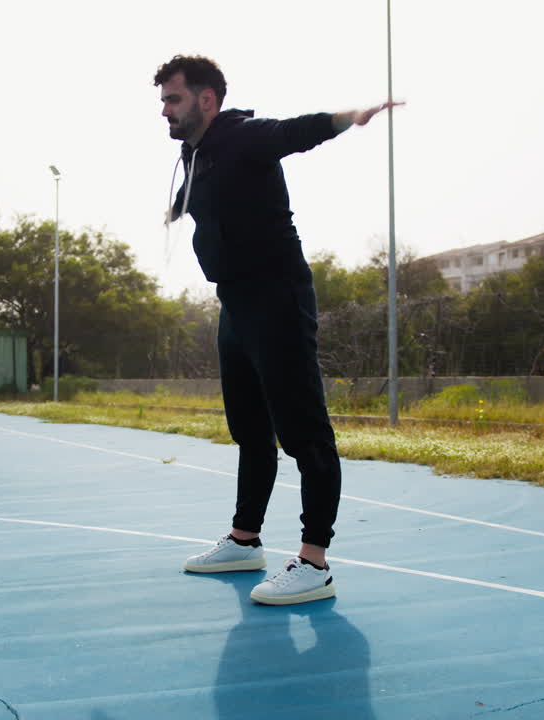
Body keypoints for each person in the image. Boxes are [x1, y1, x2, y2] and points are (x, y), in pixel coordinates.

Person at [154, 55, 401, 605]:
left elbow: (295, 132)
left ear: (206, 100)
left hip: (277, 298)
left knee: (304, 432)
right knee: (250, 429)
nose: (165, 111)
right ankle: (246, 540)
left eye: (173, 99)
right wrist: (176, 211)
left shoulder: (243, 136)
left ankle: (315, 562)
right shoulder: (196, 156)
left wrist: (349, 117)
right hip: (235, 305)